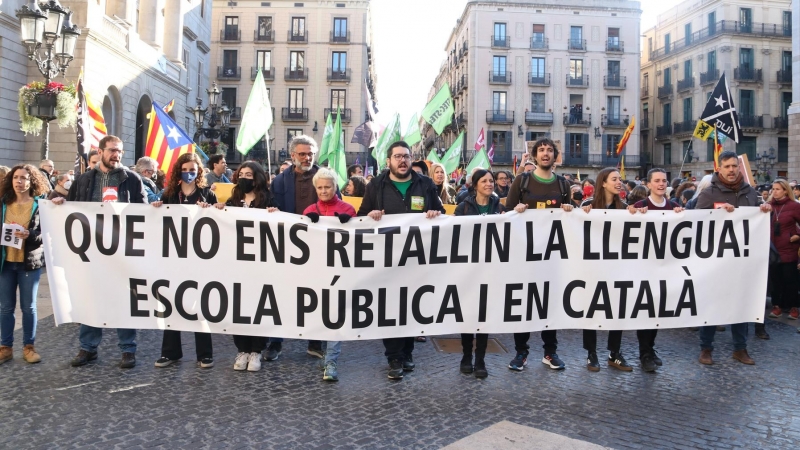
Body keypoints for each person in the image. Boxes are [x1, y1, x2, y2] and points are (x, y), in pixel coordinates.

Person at [56, 135, 148, 369]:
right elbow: (72, 209)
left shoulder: (132, 180)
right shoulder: (85, 180)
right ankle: (88, 348)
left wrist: (152, 209)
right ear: (101, 151)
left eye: (119, 151)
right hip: (91, 251)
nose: (116, 155)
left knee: (124, 299)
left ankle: (128, 349)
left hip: (122, 251)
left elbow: (145, 213)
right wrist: (58, 203)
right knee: (91, 298)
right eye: (112, 151)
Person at [357, 141, 444, 380]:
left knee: (412, 307)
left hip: (417, 259)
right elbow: (361, 217)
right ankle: (394, 357)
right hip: (387, 260)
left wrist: (435, 214)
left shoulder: (425, 184)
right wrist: (371, 216)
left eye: (406, 156)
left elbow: (442, 215)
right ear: (388, 161)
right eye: (397, 156)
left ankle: (407, 352)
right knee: (391, 308)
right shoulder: (376, 185)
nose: (403, 160)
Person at [695, 151, 772, 366]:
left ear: (739, 168)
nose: (731, 170)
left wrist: (763, 210)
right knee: (711, 305)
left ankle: (740, 348)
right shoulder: (709, 193)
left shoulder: (750, 193)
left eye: (734, 166)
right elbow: (696, 224)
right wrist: (719, 213)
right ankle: (706, 348)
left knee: (741, 304)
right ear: (719, 168)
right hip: (715, 261)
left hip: (742, 262)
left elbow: (755, 223)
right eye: (727, 166)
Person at [505, 138, 574, 371]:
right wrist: (516, 210)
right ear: (534, 156)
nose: (545, 154)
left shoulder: (563, 185)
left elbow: (571, 223)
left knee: (549, 304)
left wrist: (569, 210)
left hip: (552, 258)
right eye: (541, 150)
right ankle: (520, 353)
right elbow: (507, 216)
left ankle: (550, 352)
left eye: (550, 150)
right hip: (525, 257)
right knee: (523, 304)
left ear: (556, 156)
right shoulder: (522, 182)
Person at [268, 135, 334, 361]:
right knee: (282, 295)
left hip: (318, 249)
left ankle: (315, 342)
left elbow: (339, 206)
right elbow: (271, 207)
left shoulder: (326, 178)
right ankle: (275, 342)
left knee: (316, 296)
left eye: (310, 154)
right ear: (293, 155)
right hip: (287, 247)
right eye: (302, 154)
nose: (307, 158)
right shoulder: (279, 181)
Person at [151, 153, 217, 369]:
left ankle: (204, 354)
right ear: (178, 170)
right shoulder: (169, 194)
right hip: (174, 258)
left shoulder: (207, 194)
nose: (189, 172)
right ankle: (170, 352)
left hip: (201, 259)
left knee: (199, 305)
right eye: (185, 168)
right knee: (171, 303)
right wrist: (157, 209)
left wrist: (213, 210)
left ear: (199, 171)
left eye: (193, 169)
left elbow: (219, 220)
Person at [214, 162, 277, 371]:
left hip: (261, 263)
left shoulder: (268, 199)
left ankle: (257, 351)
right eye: (241, 174)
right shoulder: (232, 200)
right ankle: (242, 349)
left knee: (259, 306)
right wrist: (219, 210)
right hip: (236, 263)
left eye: (249, 174)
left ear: (257, 177)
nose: (244, 177)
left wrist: (275, 214)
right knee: (238, 306)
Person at [303, 168, 357, 382]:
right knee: (319, 314)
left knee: (335, 316)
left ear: (335, 187)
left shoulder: (348, 209)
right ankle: (325, 353)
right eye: (320, 188)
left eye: (328, 187)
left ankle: (332, 360)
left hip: (340, 271)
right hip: (315, 271)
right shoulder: (308, 210)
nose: (324, 191)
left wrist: (351, 225)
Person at [627, 168, 683, 372]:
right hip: (644, 268)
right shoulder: (640, 206)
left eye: (664, 181)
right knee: (646, 312)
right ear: (648, 184)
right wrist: (632, 213)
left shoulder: (674, 207)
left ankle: (650, 348)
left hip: (666, 268)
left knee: (658, 312)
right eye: (657, 181)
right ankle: (645, 355)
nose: (661, 184)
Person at [454, 169, 508, 378]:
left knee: (484, 315)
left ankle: (480, 359)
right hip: (468, 269)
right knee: (468, 314)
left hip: (490, 269)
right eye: (484, 181)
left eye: (491, 181)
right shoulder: (462, 208)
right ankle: (466, 356)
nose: (489, 184)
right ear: (475, 185)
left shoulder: (499, 207)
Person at [580, 167, 633, 372]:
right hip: (592, 267)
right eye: (614, 179)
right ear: (603, 183)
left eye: (620, 179)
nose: (619, 182)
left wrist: (640, 215)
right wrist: (578, 214)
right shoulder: (588, 205)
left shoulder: (626, 207)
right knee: (591, 309)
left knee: (617, 310)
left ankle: (614, 352)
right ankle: (591, 353)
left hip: (616, 267)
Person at [0, 164, 50, 365]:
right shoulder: (4, 203)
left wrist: (30, 235)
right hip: (6, 263)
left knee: (28, 307)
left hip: (29, 263)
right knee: (5, 308)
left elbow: (46, 234)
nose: (19, 182)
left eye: (24, 178)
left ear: (32, 182)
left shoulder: (40, 205)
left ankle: (29, 347)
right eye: (16, 178)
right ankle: (5, 347)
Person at [767, 179, 800, 321]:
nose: (774, 192)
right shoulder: (768, 206)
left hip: (789, 249)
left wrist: (798, 235)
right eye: (773, 189)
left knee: (790, 280)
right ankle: (777, 306)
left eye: (778, 189)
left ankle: (793, 307)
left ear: (786, 190)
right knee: (775, 281)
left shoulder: (794, 206)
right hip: (773, 250)